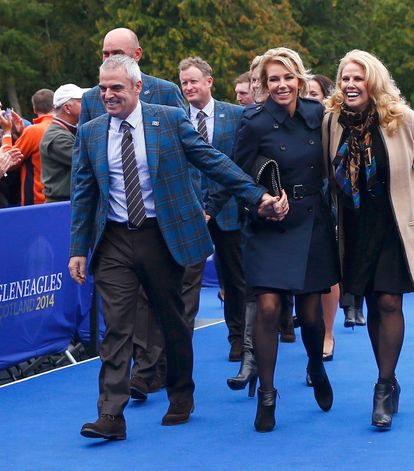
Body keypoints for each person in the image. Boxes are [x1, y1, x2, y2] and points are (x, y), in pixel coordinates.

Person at [69, 55, 285, 440]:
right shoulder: (91, 133)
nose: (108, 95)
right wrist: (78, 248)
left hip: (163, 235)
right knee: (117, 327)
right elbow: (83, 194)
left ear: (137, 87)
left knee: (173, 321)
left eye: (116, 87)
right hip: (115, 239)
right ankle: (111, 415)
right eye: (103, 88)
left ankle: (181, 395)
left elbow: (212, 161)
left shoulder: (167, 120)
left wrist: (257, 196)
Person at [323, 49, 414, 430]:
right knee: (370, 299)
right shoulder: (331, 120)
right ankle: (389, 376)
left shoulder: (401, 119)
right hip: (353, 226)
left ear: (374, 82)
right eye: (345, 78)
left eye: (358, 78)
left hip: (393, 223)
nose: (350, 85)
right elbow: (320, 164)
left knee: (388, 299)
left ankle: (382, 386)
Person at [213, 47, 339, 432]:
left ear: (299, 79)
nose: (281, 85)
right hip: (268, 225)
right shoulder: (252, 122)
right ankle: (267, 394)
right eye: (273, 79)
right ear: (263, 85)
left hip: (312, 221)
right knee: (267, 308)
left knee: (312, 313)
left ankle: (315, 366)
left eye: (287, 77)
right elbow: (239, 174)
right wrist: (261, 203)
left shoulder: (320, 116)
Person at [77, 27, 192, 401]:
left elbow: (189, 159)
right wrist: (78, 245)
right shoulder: (96, 100)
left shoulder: (166, 96)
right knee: (121, 317)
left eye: (116, 52)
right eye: (104, 52)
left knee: (162, 309)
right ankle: (114, 407)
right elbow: (86, 175)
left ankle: (162, 375)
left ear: (137, 56)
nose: (107, 58)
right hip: (115, 231)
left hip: (161, 226)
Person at [179, 57, 248, 364]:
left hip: (231, 209)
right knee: (185, 280)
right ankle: (179, 347)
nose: (189, 87)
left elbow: (240, 162)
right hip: (190, 211)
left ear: (209, 81)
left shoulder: (236, 115)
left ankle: (239, 339)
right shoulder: (174, 118)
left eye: (194, 81)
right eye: (184, 83)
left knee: (235, 279)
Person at [305, 73, 341, 361]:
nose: (307, 98)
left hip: (327, 199)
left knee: (326, 274)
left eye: (314, 94)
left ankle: (328, 332)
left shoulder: (332, 125)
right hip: (295, 203)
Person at [0, 89, 54, 205]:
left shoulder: (33, 130)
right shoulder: (61, 126)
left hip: (36, 200)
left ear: (34, 109)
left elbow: (10, 161)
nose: (2, 112)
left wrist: (8, 134)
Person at [40, 84, 86, 202]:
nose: (86, 105)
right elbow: (86, 161)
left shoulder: (67, 131)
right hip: (61, 204)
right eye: (81, 102)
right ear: (67, 108)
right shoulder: (57, 137)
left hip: (68, 201)